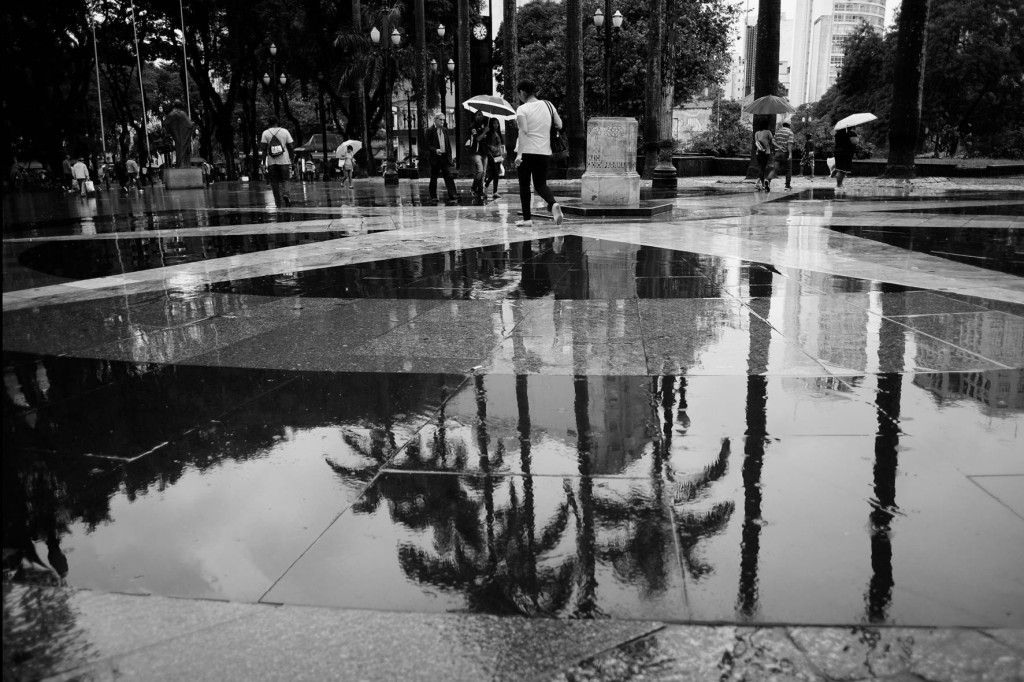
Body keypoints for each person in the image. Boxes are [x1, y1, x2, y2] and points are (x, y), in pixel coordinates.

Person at [512, 80, 563, 226]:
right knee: (540, 184)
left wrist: (519, 155)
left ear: (522, 92)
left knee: (524, 185)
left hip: (526, 152)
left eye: (519, 93)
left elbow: (523, 131)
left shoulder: (522, 109)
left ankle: (527, 219)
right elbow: (559, 125)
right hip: (543, 152)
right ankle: (553, 203)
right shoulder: (548, 105)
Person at [260, 115, 295, 207]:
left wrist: (263, 163)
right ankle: (286, 194)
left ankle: (278, 202)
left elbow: (264, 149)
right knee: (286, 179)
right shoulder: (285, 131)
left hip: (271, 162)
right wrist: (292, 159)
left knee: (274, 182)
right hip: (284, 161)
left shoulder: (265, 133)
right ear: (277, 122)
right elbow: (291, 147)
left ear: (269, 123)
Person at [424, 114, 458, 204]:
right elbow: (427, 145)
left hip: (444, 157)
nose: (442, 121)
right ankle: (433, 196)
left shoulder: (445, 130)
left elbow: (448, 144)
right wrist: (435, 150)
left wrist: (450, 157)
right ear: (435, 120)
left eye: (443, 120)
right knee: (434, 177)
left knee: (449, 176)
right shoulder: (430, 130)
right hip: (435, 157)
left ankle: (453, 194)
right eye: (440, 119)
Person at [467, 111, 488, 199]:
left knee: (484, 173)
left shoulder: (483, 125)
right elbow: (478, 138)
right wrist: (484, 132)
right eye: (479, 115)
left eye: (482, 115)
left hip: (484, 152)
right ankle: (473, 188)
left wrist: (485, 131)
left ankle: (480, 191)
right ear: (475, 116)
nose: (481, 116)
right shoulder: (473, 126)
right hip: (476, 152)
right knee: (480, 171)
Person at [833, 122, 859, 191]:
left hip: (838, 152)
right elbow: (855, 142)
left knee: (840, 169)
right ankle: (839, 185)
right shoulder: (851, 133)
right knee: (843, 170)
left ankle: (840, 184)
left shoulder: (838, 134)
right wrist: (856, 136)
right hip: (846, 153)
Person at [483, 118, 505, 199]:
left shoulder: (498, 133)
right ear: (491, 124)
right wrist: (491, 147)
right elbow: (487, 144)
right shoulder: (489, 133)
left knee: (496, 173)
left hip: (498, 155)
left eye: (497, 123)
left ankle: (492, 189)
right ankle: (489, 187)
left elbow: (500, 144)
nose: (496, 125)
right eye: (494, 123)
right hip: (491, 155)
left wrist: (501, 154)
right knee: (495, 173)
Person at [753, 126, 776, 192]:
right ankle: (757, 182)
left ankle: (763, 185)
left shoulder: (757, 133)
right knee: (762, 168)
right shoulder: (768, 132)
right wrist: (772, 149)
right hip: (766, 152)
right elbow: (771, 141)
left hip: (758, 152)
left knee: (761, 167)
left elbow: (756, 142)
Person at [774, 121, 794, 190]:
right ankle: (787, 186)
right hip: (785, 153)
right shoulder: (790, 132)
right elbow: (789, 144)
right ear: (789, 125)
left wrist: (778, 147)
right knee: (788, 169)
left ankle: (768, 180)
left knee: (775, 169)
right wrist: (790, 153)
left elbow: (773, 141)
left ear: (783, 125)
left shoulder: (777, 132)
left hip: (777, 152)